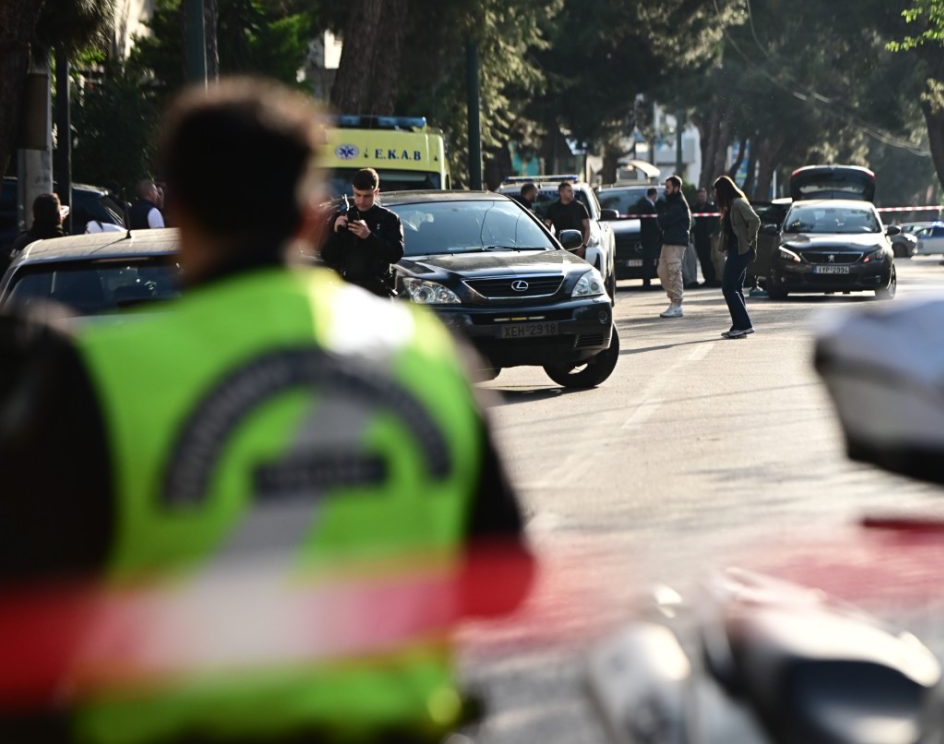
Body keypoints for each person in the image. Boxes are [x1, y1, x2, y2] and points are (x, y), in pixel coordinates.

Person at [0, 79, 534, 744]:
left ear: (178, 213)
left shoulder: (95, 378)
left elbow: (31, 619)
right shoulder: (427, 355)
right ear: (308, 217)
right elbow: (505, 581)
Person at [320, 167, 405, 297]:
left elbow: (395, 255)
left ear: (376, 192)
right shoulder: (342, 216)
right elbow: (327, 256)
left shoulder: (389, 219)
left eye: (367, 196)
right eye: (357, 195)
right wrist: (336, 232)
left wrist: (369, 236)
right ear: (353, 190)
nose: (361, 201)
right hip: (346, 290)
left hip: (377, 291)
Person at [715, 175, 760, 338]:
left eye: (716, 191)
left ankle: (745, 325)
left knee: (728, 287)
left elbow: (755, 221)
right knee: (736, 287)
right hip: (735, 250)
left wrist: (748, 240)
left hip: (741, 251)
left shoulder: (738, 203)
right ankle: (739, 325)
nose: (715, 195)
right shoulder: (730, 206)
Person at [656, 175, 691, 318]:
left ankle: (677, 304)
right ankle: (673, 301)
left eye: (668, 187)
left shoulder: (678, 204)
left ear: (676, 188)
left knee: (674, 271)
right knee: (662, 271)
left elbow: (665, 222)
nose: (666, 190)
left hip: (676, 242)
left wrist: (661, 213)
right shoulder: (670, 202)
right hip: (668, 241)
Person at [544, 181, 590, 257]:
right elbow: (547, 226)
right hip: (560, 248)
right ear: (561, 193)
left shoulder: (580, 207)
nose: (572, 193)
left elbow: (587, 228)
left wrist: (584, 246)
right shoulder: (553, 208)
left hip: (578, 248)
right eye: (569, 191)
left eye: (572, 191)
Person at [630, 187, 660, 288]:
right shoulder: (647, 205)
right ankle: (647, 282)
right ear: (654, 195)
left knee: (648, 260)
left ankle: (647, 280)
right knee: (648, 260)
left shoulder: (646, 204)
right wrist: (659, 230)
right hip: (649, 238)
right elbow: (653, 222)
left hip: (648, 237)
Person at [692, 187, 719, 287]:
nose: (702, 197)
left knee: (710, 258)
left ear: (706, 196)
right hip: (699, 237)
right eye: (700, 196)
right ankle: (707, 279)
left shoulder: (711, 208)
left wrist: (713, 233)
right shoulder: (694, 208)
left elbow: (716, 221)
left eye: (703, 195)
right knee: (702, 259)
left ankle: (713, 279)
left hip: (709, 237)